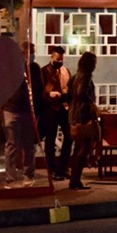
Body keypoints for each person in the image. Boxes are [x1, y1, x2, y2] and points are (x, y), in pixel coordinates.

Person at [2, 60, 38, 188]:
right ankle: (10, 178)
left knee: (28, 145)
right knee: (12, 144)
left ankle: (28, 175)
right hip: (11, 109)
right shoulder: (8, 71)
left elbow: (37, 90)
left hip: (25, 111)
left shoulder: (33, 70)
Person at [68, 51, 99, 190]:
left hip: (74, 115)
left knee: (78, 148)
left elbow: (70, 94)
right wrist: (92, 104)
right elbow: (82, 93)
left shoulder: (75, 76)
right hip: (83, 116)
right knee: (84, 148)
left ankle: (74, 179)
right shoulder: (85, 76)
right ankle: (76, 180)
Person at [41, 46, 73, 180]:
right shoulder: (44, 71)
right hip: (50, 108)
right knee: (50, 139)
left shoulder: (66, 71)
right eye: (57, 59)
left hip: (64, 107)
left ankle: (63, 166)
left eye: (62, 59)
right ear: (52, 57)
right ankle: (51, 168)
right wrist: (49, 94)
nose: (60, 61)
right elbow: (39, 92)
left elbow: (69, 88)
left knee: (69, 136)